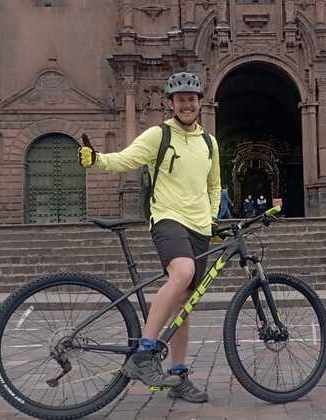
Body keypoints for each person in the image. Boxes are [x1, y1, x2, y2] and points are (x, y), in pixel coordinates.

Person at [78, 71, 219, 403]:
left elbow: (214, 186)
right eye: (180, 99)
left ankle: (179, 375)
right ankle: (143, 353)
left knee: (185, 304)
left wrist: (212, 219)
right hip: (168, 218)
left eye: (192, 98)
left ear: (200, 103)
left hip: (200, 227)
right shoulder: (159, 135)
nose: (187, 104)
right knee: (182, 272)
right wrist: (97, 160)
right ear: (170, 103)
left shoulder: (209, 143)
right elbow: (127, 158)